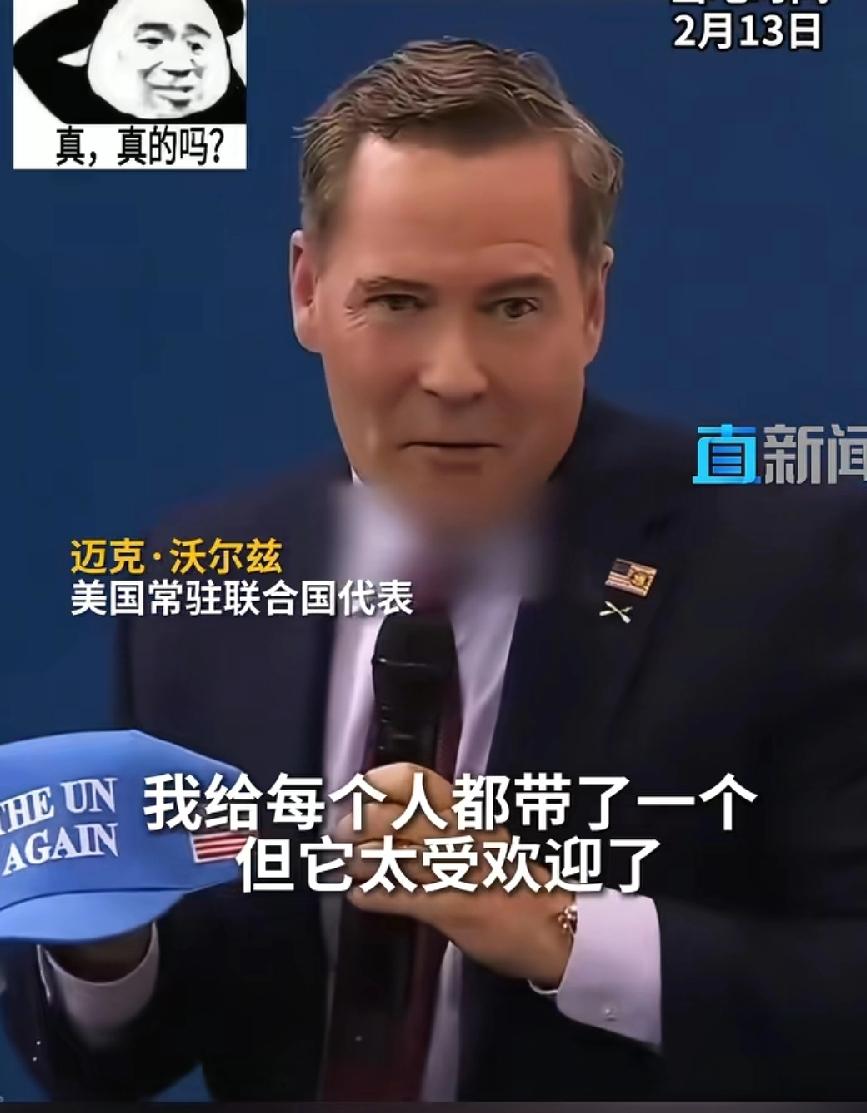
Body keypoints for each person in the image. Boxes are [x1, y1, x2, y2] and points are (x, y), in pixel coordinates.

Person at [3, 36, 867, 1102]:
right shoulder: (201, 590)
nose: (455, 377)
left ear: (592, 305)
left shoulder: (795, 566)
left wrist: (558, 927)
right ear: (308, 290)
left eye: (512, 306)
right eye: (399, 302)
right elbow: (125, 1052)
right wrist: (102, 946)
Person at [13, 0, 246, 123]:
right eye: (152, 41)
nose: (179, 66)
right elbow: (29, 55)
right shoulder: (90, 109)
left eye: (195, 46)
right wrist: (98, 12)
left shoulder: (230, 111)